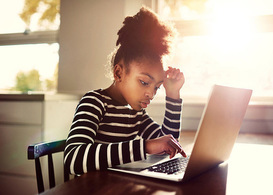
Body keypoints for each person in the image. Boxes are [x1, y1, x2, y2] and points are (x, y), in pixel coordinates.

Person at [64, 6, 186, 175]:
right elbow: (73, 160)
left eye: (157, 87)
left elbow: (169, 144)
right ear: (119, 73)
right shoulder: (94, 102)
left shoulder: (136, 114)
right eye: (144, 82)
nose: (151, 94)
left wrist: (172, 95)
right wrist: (146, 146)